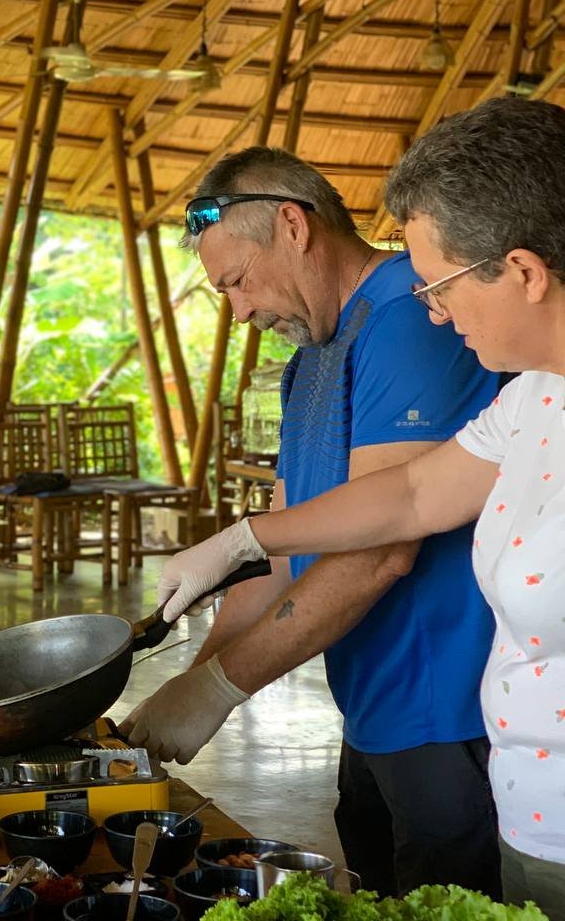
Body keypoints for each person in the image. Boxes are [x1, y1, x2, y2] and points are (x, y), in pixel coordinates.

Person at [151, 98, 565, 915]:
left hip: (440, 712)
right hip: (432, 737)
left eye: (237, 281)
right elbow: (402, 498)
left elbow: (383, 550)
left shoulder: (407, 324)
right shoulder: (526, 401)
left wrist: (217, 690)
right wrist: (235, 549)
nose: (435, 305)